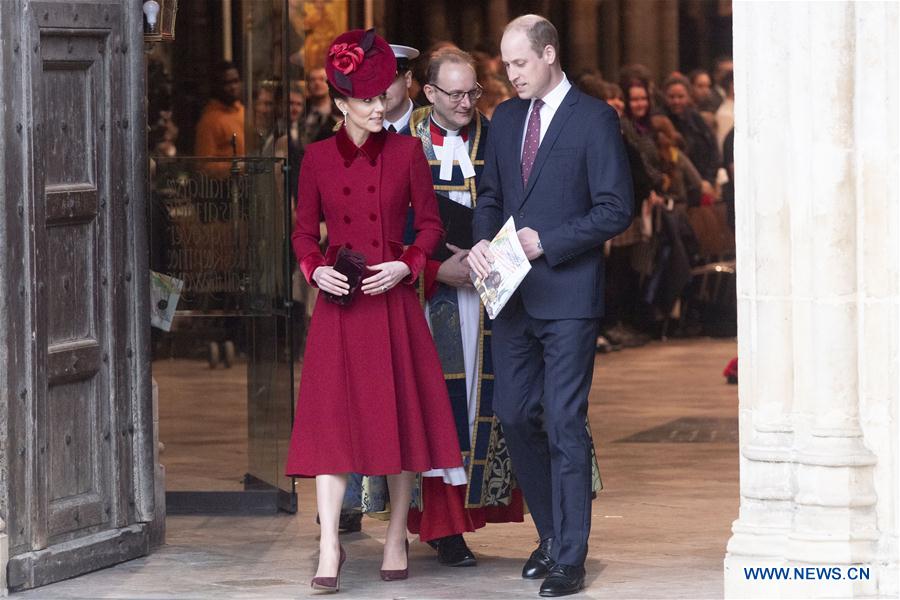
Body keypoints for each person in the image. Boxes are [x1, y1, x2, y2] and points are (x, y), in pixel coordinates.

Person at [285, 28, 463, 593]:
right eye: (364, 99)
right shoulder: (314, 159)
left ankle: (394, 537)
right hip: (340, 306)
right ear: (340, 103)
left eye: (382, 95)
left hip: (392, 304)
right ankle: (330, 544)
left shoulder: (408, 151)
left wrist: (408, 264)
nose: (379, 106)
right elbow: (300, 235)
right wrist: (315, 269)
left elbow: (431, 226)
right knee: (334, 425)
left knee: (401, 420)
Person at [468, 15, 632, 598]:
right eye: (506, 65)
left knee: (564, 421)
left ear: (549, 54)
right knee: (514, 416)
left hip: (568, 296)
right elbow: (490, 196)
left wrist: (549, 241)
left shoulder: (594, 119)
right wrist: (484, 238)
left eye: (519, 63)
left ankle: (571, 555)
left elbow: (616, 208)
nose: (509, 75)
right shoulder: (507, 118)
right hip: (512, 296)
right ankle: (550, 533)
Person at [403, 47, 525, 567]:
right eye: (454, 93)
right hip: (427, 300)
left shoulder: (495, 135)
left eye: (473, 91)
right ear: (428, 93)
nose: (466, 102)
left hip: (490, 297)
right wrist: (433, 270)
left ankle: (489, 515)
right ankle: (443, 526)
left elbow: (518, 202)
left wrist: (493, 260)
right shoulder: (401, 143)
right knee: (436, 409)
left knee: (489, 406)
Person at [194, 61, 244, 177]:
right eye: (227, 83)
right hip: (225, 188)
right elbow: (204, 166)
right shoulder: (209, 121)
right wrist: (238, 167)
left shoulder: (243, 111)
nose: (233, 87)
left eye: (236, 81)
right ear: (217, 86)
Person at [382, 44, 419, 133]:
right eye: (374, 81)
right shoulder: (360, 129)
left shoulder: (429, 124)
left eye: (389, 79)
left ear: (407, 79)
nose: (381, 89)